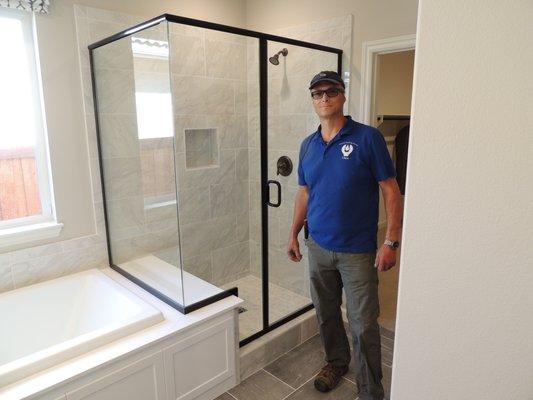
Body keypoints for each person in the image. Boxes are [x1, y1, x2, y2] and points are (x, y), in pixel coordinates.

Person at [287, 71, 402, 400]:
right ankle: (336, 362)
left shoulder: (367, 138)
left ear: (342, 95)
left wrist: (391, 241)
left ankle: (370, 392)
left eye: (330, 91)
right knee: (325, 313)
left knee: (364, 323)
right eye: (316, 93)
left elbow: (390, 190)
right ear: (312, 99)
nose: (323, 98)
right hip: (317, 246)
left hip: (357, 251)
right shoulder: (307, 145)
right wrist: (294, 233)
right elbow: (304, 193)